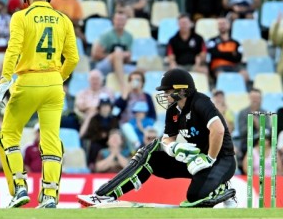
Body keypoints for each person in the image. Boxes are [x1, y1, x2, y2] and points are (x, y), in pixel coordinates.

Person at [78, 68, 237, 208]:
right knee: (152, 153)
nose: (164, 95)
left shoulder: (200, 102)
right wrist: (173, 147)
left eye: (167, 91)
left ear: (181, 90)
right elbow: (167, 139)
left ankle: (222, 187)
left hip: (221, 160)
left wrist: (209, 158)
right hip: (196, 160)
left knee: (194, 198)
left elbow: (218, 130)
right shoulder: (173, 110)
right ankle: (106, 194)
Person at [0, 0, 79, 208]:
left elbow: (13, 50)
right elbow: (73, 58)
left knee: (8, 135)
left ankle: (19, 187)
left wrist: (4, 80)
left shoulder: (20, 17)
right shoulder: (63, 19)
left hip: (27, 81)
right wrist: (58, 77)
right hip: (53, 84)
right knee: (51, 140)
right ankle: (50, 195)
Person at [80, 94, 120, 170]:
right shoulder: (94, 119)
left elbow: (116, 131)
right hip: (97, 142)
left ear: (110, 108)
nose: (105, 108)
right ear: (100, 108)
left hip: (111, 141)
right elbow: (90, 133)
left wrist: (109, 137)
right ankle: (92, 164)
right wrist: (101, 135)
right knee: (94, 147)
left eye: (107, 106)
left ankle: (116, 164)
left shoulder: (114, 119)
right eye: (103, 106)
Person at [91, 9, 133, 76]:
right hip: (104, 65)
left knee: (139, 72)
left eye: (122, 20)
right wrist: (113, 56)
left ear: (126, 21)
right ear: (113, 20)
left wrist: (124, 56)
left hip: (121, 66)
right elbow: (96, 55)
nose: (120, 22)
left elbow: (128, 59)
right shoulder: (106, 35)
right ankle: (123, 85)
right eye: (118, 20)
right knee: (117, 54)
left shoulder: (129, 36)